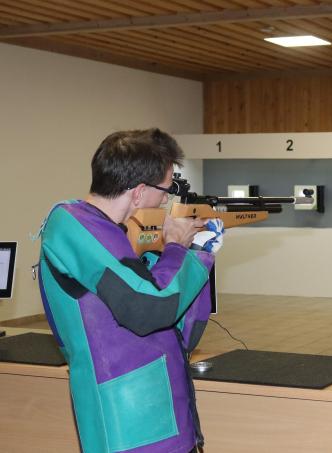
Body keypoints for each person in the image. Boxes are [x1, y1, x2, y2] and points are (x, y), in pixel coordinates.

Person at [37, 128, 220, 453]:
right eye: (166, 190)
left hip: (165, 407)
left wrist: (195, 255)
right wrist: (176, 249)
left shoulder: (114, 234)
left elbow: (180, 331)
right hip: (124, 420)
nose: (167, 199)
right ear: (137, 193)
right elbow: (149, 309)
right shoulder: (73, 226)